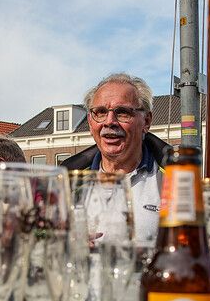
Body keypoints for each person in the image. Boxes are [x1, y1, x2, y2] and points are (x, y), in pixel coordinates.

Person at [61, 73, 168, 245]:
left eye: (123, 112)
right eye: (101, 112)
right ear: (90, 121)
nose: (109, 122)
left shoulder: (172, 181)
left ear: (146, 121)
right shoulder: (67, 185)